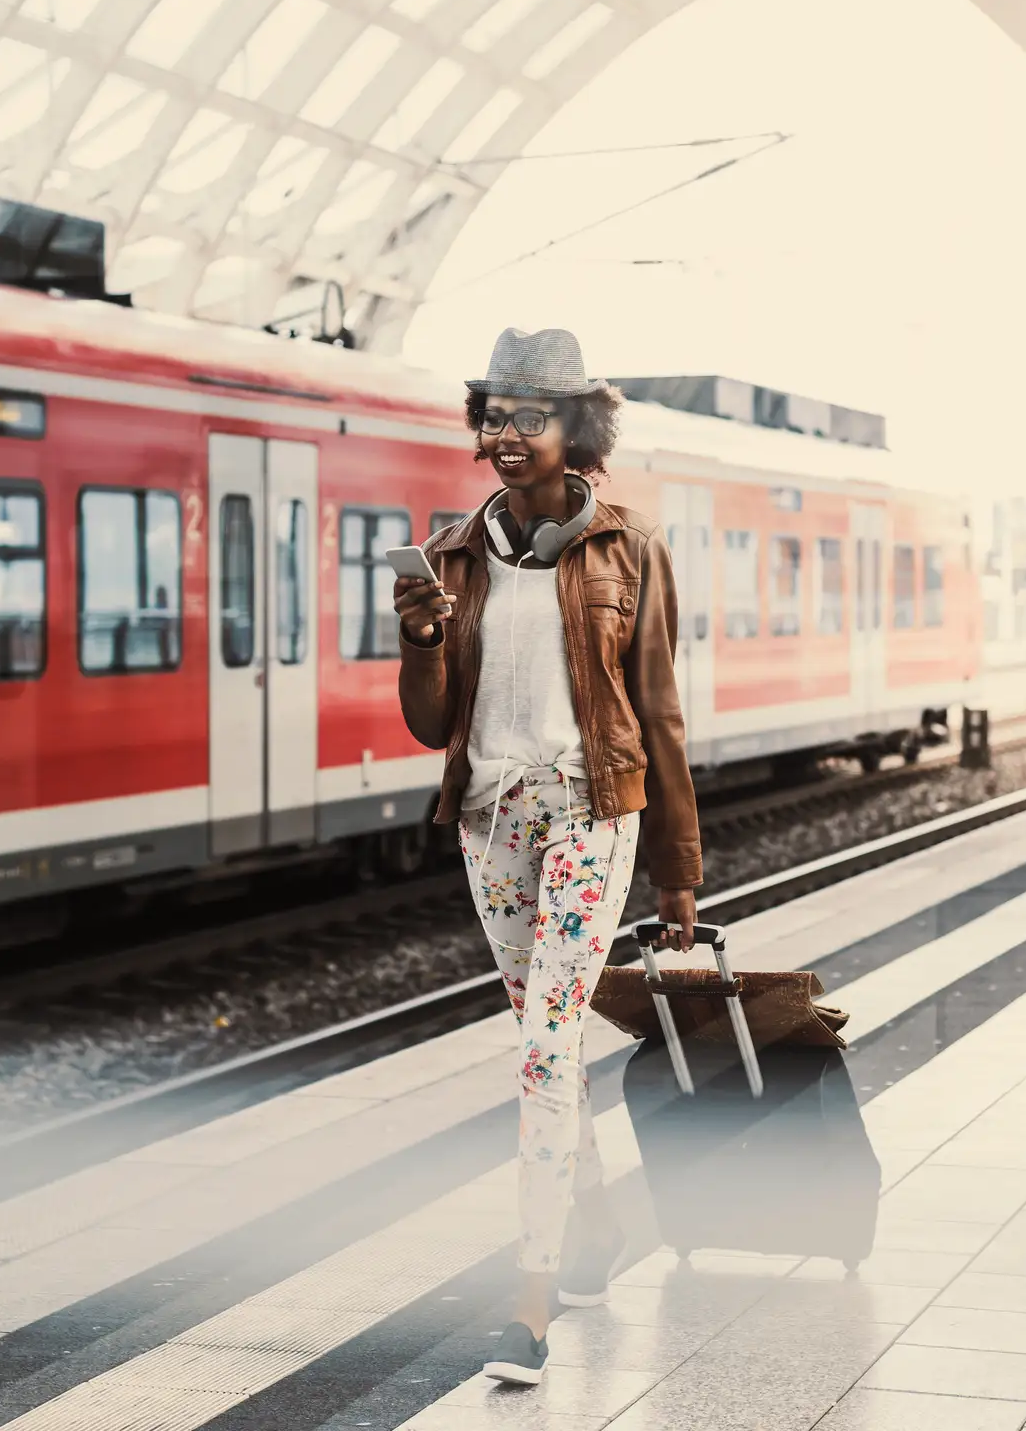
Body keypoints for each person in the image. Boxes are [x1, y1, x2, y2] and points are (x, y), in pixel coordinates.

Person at [394, 327, 703, 1386]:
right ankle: (600, 1222)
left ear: (579, 430)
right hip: (492, 821)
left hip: (591, 810)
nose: (508, 433)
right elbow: (432, 726)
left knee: (542, 1050)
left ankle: (531, 1295)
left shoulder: (630, 550)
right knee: (546, 1037)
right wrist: (424, 642)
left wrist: (678, 875)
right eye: (495, 413)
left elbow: (657, 714)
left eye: (532, 415)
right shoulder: (450, 554)